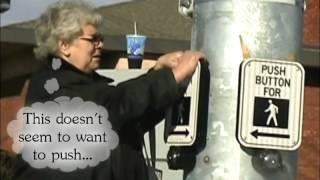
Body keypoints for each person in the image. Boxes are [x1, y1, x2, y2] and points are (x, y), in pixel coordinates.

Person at [13, 1, 204, 180]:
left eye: (101, 39)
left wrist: (159, 71)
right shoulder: (54, 86)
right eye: (92, 40)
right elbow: (115, 105)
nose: (100, 45)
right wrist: (172, 76)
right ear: (64, 46)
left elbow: (128, 116)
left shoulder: (84, 85)